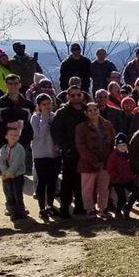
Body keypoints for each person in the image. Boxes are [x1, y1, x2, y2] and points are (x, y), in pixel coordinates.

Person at [51, 85, 88, 217]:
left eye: (78, 94)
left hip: (84, 152)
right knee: (67, 181)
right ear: (68, 96)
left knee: (81, 180)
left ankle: (80, 206)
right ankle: (64, 209)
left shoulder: (86, 110)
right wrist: (62, 145)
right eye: (73, 95)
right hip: (69, 151)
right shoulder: (62, 112)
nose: (76, 97)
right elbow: (56, 130)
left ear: (82, 95)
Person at [75, 102, 115, 217]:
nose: (93, 112)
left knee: (104, 187)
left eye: (95, 109)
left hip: (105, 161)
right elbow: (81, 147)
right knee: (87, 188)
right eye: (90, 110)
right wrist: (94, 161)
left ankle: (103, 208)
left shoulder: (108, 125)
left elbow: (113, 142)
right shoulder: (81, 128)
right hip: (88, 163)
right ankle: (90, 209)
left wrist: (109, 159)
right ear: (86, 113)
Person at [30, 93, 60, 219]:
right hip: (40, 155)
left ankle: (50, 205)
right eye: (44, 104)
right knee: (42, 182)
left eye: (49, 104)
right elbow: (39, 134)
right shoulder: (35, 118)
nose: (47, 106)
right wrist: (44, 117)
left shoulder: (55, 117)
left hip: (54, 154)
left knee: (52, 181)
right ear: (39, 106)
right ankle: (42, 208)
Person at [0, 127, 28, 219]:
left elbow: (17, 163)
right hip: (6, 175)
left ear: (18, 137)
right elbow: (1, 160)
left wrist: (10, 172)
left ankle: (20, 211)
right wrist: (5, 172)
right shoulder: (3, 148)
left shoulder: (20, 149)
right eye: (11, 135)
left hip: (17, 175)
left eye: (16, 135)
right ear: (6, 136)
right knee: (8, 192)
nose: (13, 137)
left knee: (17, 193)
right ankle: (12, 210)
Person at [107, 133, 137, 218]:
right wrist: (116, 177)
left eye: (124, 145)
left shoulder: (129, 155)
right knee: (122, 197)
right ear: (116, 146)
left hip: (128, 179)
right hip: (118, 181)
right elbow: (110, 169)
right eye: (119, 145)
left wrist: (133, 174)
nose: (122, 147)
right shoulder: (113, 157)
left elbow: (133, 165)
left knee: (136, 192)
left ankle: (127, 208)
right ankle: (118, 212)